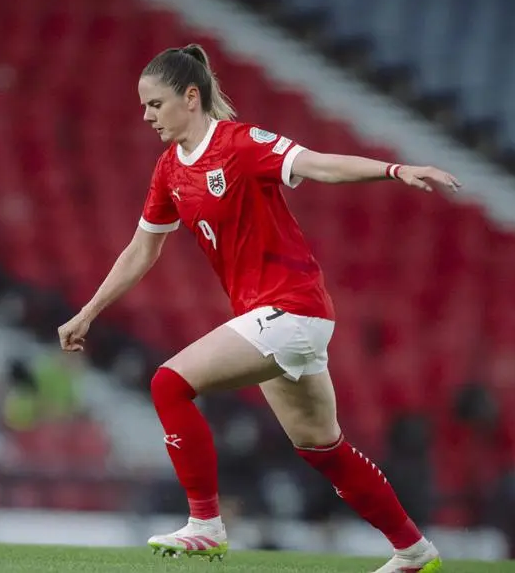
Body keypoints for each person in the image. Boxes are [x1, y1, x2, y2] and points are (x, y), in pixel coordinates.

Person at [57, 45, 459, 573]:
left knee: (168, 383)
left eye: (155, 104)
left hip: (292, 308)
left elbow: (316, 164)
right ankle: (413, 551)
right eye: (144, 106)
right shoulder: (168, 171)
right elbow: (142, 250)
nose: (147, 116)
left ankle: (205, 525)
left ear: (191, 97)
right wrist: (89, 311)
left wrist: (393, 169)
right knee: (322, 447)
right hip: (277, 318)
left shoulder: (241, 144)